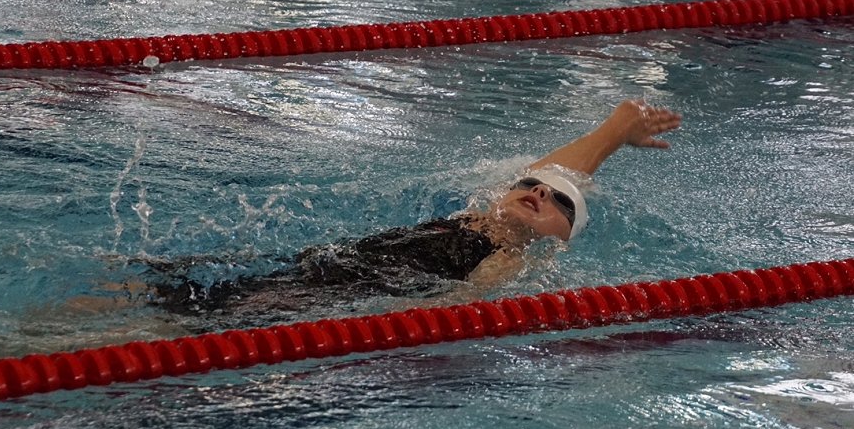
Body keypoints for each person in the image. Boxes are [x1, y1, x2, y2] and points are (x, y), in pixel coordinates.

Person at [149, 99, 681, 321]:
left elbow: (456, 304)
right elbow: (558, 171)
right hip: (307, 268)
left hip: (324, 299)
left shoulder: (512, 259)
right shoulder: (475, 216)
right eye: (532, 185)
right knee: (155, 285)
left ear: (562, 237)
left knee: (170, 326)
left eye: (559, 202)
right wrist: (616, 129)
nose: (542, 192)